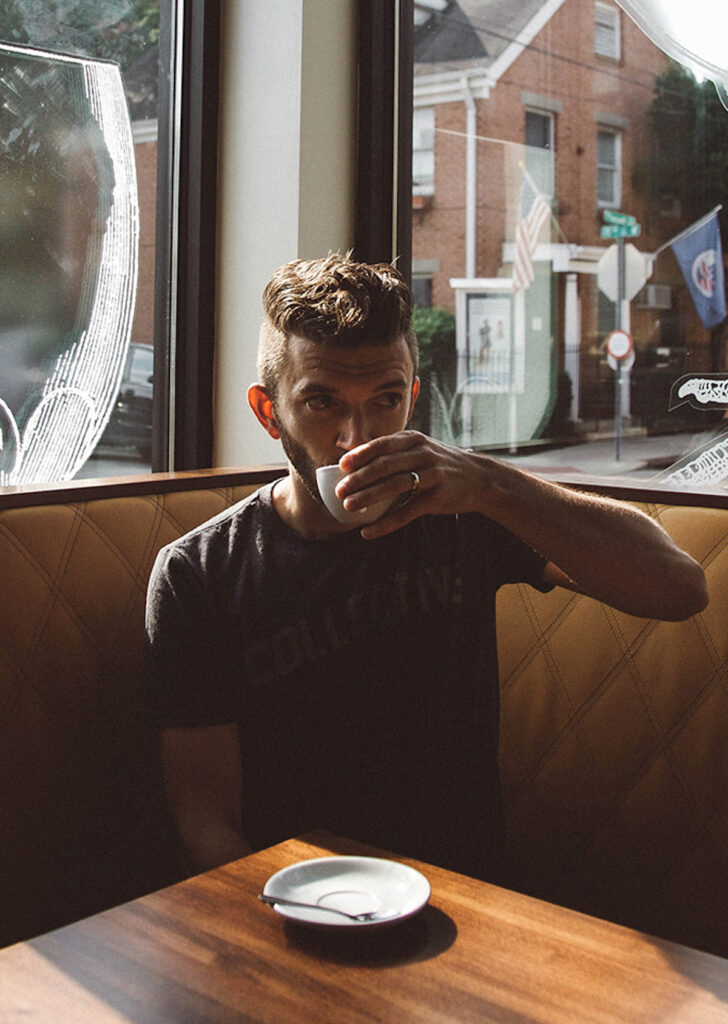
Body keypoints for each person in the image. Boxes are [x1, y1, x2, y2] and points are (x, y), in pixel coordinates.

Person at [141, 253, 708, 881]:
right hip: (295, 907)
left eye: (385, 398)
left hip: (467, 897)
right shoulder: (199, 575)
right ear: (269, 412)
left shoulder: (463, 515)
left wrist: (492, 484)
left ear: (412, 394)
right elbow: (206, 820)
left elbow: (680, 587)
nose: (357, 436)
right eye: (322, 402)